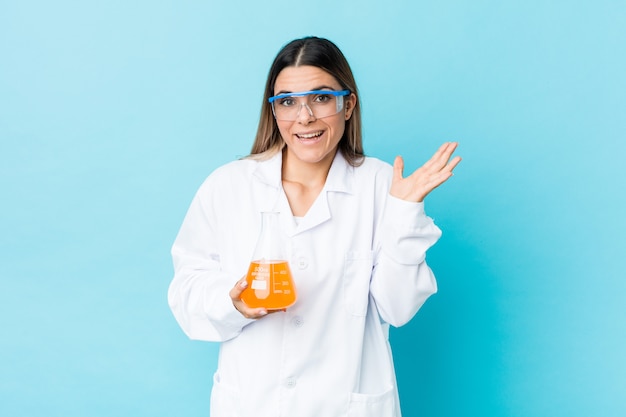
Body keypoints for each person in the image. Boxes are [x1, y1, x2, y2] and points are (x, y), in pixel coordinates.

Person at [168, 36, 461, 417]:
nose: (304, 117)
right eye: (287, 101)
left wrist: (405, 213)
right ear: (273, 111)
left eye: (321, 98)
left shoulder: (381, 184)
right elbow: (186, 292)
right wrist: (233, 302)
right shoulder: (228, 186)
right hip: (254, 403)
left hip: (346, 405)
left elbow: (399, 308)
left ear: (348, 104)